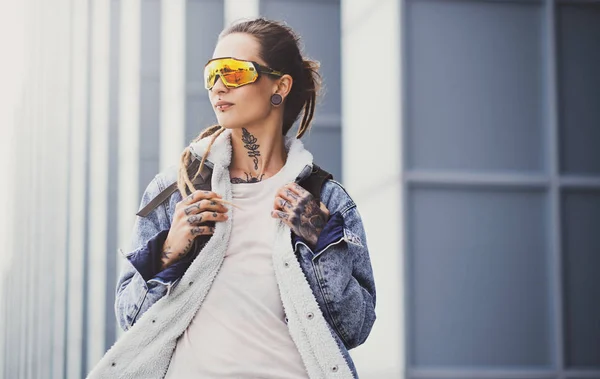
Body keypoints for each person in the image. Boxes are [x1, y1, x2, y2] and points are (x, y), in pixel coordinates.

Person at [87, 17, 376, 379]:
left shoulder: (327, 200)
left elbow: (354, 329)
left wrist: (322, 243)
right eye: (212, 73)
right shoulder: (177, 190)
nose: (218, 86)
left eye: (235, 73)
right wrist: (167, 252)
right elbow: (131, 320)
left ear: (280, 86)